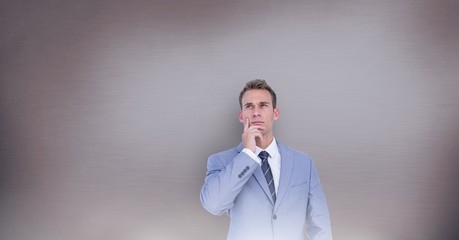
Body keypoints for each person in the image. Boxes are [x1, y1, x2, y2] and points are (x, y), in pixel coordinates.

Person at [200, 79, 333, 240]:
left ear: (275, 113)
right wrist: (248, 153)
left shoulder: (303, 162)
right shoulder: (221, 161)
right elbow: (213, 205)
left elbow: (320, 223)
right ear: (241, 116)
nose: (256, 112)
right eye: (249, 106)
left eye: (263, 105)